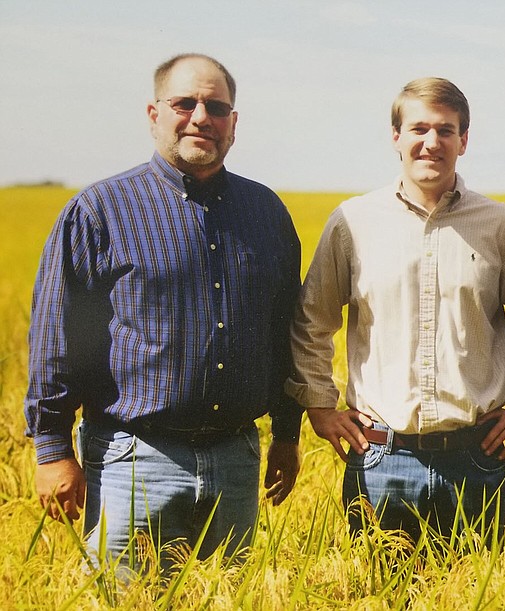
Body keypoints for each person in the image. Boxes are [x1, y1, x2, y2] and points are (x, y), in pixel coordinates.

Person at [24, 53, 303, 573]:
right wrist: (52, 450)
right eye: (185, 103)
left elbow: (286, 333)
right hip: (133, 461)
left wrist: (287, 436)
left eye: (216, 107)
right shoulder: (100, 211)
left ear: (234, 123)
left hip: (236, 462)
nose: (201, 117)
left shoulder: (265, 213)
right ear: (154, 113)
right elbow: (57, 337)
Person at [286, 77, 505, 546]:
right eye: (419, 129)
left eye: (446, 130)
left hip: (475, 459)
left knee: (473, 596)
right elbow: (313, 319)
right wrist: (320, 405)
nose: (432, 143)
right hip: (382, 459)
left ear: (463, 141)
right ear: (396, 137)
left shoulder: (500, 225)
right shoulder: (353, 223)